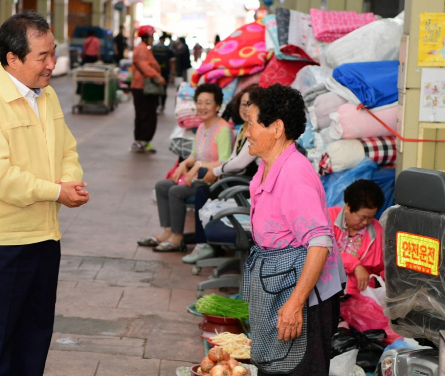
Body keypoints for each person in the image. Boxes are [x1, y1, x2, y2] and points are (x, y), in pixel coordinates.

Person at [0, 11, 89, 376]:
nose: (52, 63)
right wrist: (56, 191)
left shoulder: (46, 97)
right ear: (12, 59)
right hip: (3, 244)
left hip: (46, 237)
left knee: (34, 341)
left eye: (53, 53)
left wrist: (69, 182)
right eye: (42, 57)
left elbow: (68, 150)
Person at [242, 84, 345, 376]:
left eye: (251, 123)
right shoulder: (269, 166)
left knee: (296, 368)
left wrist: (295, 304)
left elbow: (320, 242)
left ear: (276, 128)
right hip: (281, 288)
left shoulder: (294, 174)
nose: (247, 131)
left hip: (302, 300)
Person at [138, 83, 233, 252]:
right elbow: (195, 155)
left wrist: (196, 168)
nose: (202, 107)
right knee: (162, 186)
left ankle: (177, 237)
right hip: (198, 177)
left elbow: (224, 163)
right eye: (199, 102)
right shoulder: (203, 126)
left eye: (208, 103)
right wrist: (184, 164)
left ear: (218, 106)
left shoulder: (223, 129)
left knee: (176, 192)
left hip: (212, 182)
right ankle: (167, 232)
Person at [182, 85, 261, 264]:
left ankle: (205, 244)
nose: (245, 109)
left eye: (250, 104)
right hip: (238, 177)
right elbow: (232, 160)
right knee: (203, 181)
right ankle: (205, 241)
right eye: (242, 104)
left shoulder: (256, 130)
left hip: (248, 183)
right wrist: (214, 170)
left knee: (203, 189)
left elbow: (239, 164)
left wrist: (215, 171)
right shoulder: (244, 128)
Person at [328, 180, 385, 297]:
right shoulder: (328, 218)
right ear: (348, 207)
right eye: (362, 217)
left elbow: (383, 267)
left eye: (371, 217)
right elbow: (323, 253)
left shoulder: (376, 230)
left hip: (359, 297)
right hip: (326, 292)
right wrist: (355, 265)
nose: (366, 222)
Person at [131, 25, 165, 153]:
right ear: (146, 37)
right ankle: (143, 141)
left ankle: (140, 140)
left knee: (142, 115)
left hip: (139, 86)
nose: (152, 39)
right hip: (143, 87)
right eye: (152, 36)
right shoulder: (143, 49)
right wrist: (157, 76)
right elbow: (144, 66)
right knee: (147, 115)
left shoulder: (142, 48)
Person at [151, 31, 175, 113]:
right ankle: (162, 105)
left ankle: (156, 104)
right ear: (164, 39)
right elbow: (172, 62)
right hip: (165, 71)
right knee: (164, 88)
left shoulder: (153, 48)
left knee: (156, 87)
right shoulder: (168, 48)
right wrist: (173, 73)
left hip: (155, 72)